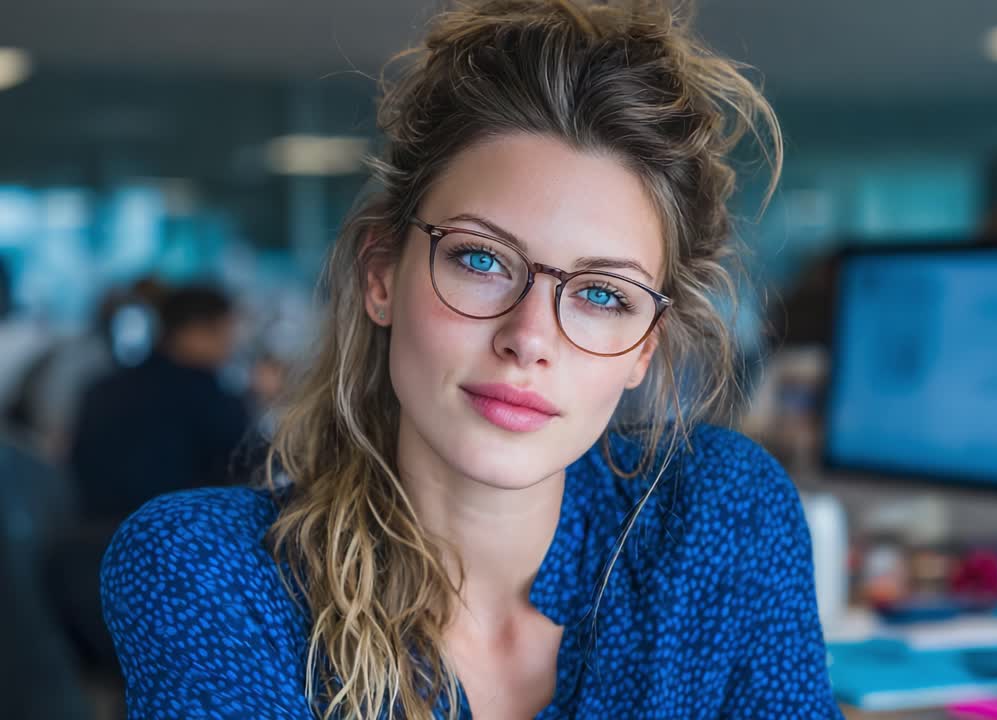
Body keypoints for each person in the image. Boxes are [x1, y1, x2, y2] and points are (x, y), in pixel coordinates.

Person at [101, 2, 841, 719]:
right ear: (383, 275)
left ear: (644, 348)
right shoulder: (209, 574)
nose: (529, 337)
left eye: (603, 296)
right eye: (481, 259)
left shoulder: (718, 517)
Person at [71, 283, 249, 524]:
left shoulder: (103, 387)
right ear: (194, 332)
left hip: (87, 534)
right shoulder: (211, 399)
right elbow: (242, 473)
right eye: (225, 333)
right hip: (178, 537)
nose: (231, 345)